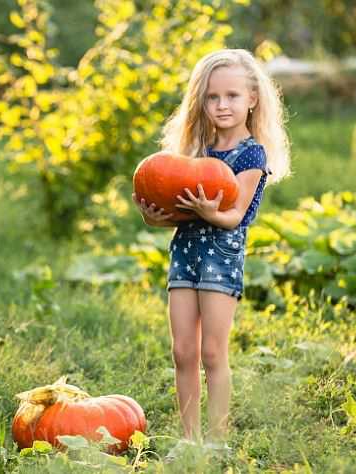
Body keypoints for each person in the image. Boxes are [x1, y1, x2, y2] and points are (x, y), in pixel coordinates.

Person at [132, 49, 291, 456]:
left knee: (212, 351)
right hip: (184, 255)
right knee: (183, 351)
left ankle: (217, 443)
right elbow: (182, 216)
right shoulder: (195, 153)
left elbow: (235, 216)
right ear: (200, 101)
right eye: (213, 97)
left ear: (252, 99)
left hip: (222, 260)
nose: (222, 105)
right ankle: (189, 440)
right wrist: (155, 218)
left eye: (232, 96)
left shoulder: (252, 155)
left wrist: (210, 210)